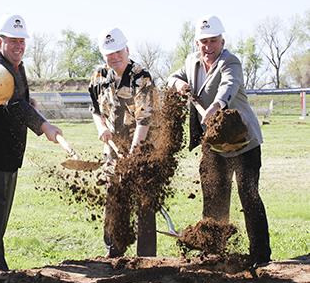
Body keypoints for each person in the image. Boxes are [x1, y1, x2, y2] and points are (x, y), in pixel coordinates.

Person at [0, 13, 62, 271]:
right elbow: (14, 106)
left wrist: (34, 108)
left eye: (22, 41)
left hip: (8, 151)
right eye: (13, 41)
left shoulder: (18, 65)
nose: (19, 46)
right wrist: (44, 125)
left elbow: (21, 100)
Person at [167, 15, 271, 266]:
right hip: (213, 143)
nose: (208, 46)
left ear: (222, 40)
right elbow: (172, 78)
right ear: (197, 43)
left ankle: (261, 255)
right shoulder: (192, 61)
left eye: (213, 40)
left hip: (242, 140)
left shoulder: (230, 61)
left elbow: (229, 85)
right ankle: (214, 251)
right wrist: (179, 84)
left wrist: (216, 105)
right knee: (214, 195)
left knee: (249, 194)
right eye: (203, 41)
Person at [89, 27, 156, 258]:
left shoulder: (141, 76)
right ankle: (113, 252)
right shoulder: (99, 76)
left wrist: (134, 154)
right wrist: (102, 128)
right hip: (112, 148)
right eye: (109, 54)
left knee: (144, 201)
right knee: (114, 197)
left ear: (126, 49)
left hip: (142, 146)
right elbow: (96, 109)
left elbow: (144, 119)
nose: (114, 57)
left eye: (118, 51)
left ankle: (146, 258)